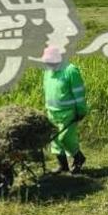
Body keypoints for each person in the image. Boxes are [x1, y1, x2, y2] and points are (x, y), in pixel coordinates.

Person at [42, 45, 89, 174]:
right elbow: (47, 90)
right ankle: (63, 166)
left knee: (65, 138)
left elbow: (79, 93)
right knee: (55, 140)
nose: (48, 64)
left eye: (50, 61)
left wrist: (81, 110)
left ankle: (79, 158)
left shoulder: (70, 71)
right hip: (52, 112)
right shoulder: (48, 72)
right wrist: (46, 108)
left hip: (68, 112)